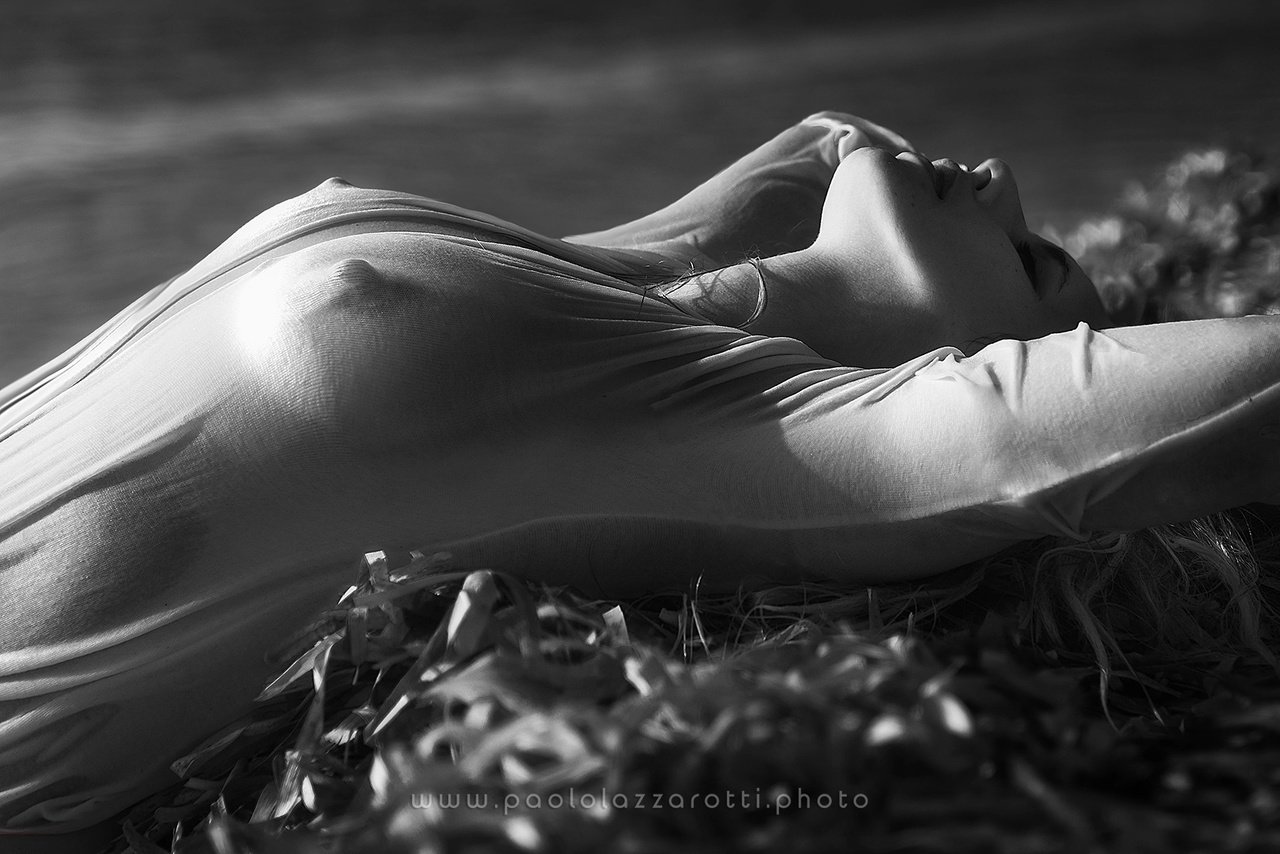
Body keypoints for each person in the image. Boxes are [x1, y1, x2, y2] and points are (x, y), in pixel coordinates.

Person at [3, 110, 1280, 847]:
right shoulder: (632, 277)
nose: (1001, 178)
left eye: (1038, 255)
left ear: (994, 368)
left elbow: (1202, 393)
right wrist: (866, 180)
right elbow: (822, 142)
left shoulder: (754, 441)